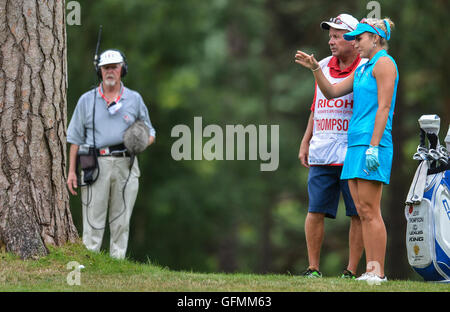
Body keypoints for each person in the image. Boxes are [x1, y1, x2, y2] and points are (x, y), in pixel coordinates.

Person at [295, 17, 398, 283]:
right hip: (354, 143)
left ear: (375, 38)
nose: (355, 42)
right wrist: (316, 68)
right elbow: (329, 92)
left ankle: (378, 271)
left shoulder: (384, 63)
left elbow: (384, 108)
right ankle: (371, 271)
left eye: (359, 38)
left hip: (370, 143)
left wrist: (374, 147)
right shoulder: (364, 70)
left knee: (370, 210)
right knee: (363, 210)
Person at [66, 49, 156, 259]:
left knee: (121, 218)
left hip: (126, 162)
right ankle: (89, 263)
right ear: (99, 71)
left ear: (122, 69)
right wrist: (71, 171)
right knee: (92, 218)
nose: (110, 71)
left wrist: (143, 143)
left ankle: (117, 264)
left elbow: (151, 131)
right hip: (94, 163)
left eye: (114, 67)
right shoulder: (86, 100)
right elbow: (75, 139)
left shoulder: (134, 99)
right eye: (106, 67)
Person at [298, 14, 365, 279]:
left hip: (353, 151)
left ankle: (350, 270)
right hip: (322, 151)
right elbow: (317, 106)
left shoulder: (365, 68)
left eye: (337, 36)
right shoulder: (323, 65)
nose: (331, 41)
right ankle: (313, 268)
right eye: (330, 36)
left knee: (358, 213)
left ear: (352, 39)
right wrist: (305, 140)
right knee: (315, 210)